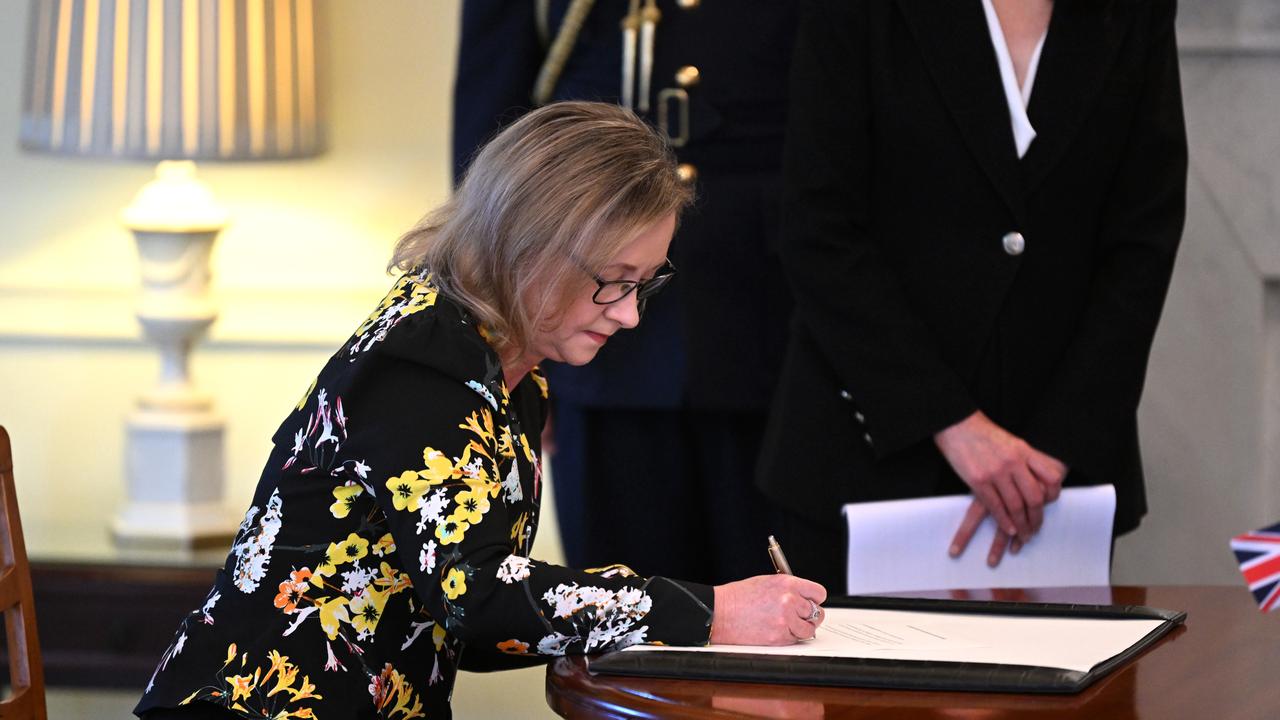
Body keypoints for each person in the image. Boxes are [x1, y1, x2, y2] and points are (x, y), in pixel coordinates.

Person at [134, 102, 826, 720]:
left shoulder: (513, 375)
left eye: (646, 284)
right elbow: (478, 595)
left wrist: (654, 618)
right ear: (528, 245)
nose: (628, 315)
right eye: (613, 283)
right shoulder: (420, 362)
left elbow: (471, 624)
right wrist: (706, 611)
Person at [758, 0, 1188, 591]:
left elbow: (1144, 238)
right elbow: (818, 231)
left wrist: (1058, 445)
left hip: (1055, 486)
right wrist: (951, 422)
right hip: (870, 457)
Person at [453, 0, 798, 585]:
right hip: (590, 333)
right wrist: (502, 354)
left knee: (782, 621)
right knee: (621, 622)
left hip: (777, 319)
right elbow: (496, 148)